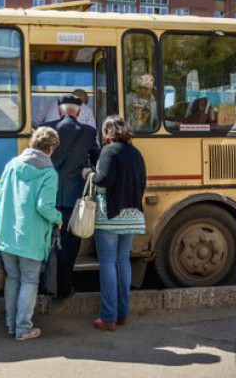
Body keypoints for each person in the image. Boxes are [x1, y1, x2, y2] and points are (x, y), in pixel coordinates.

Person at [0, 127, 63, 341]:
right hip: (31, 238)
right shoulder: (49, 173)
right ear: (51, 148)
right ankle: (23, 328)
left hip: (7, 235)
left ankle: (11, 325)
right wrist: (57, 218)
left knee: (12, 278)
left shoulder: (12, 164)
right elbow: (44, 207)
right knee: (29, 281)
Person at [84, 115, 146, 331]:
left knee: (108, 263)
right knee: (123, 261)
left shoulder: (109, 151)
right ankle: (122, 314)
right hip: (133, 215)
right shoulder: (136, 153)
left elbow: (104, 179)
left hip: (111, 215)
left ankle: (108, 317)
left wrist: (90, 174)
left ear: (108, 133)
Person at [42, 94, 100, 299]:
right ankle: (64, 288)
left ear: (59, 110)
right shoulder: (89, 132)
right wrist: (86, 168)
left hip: (47, 197)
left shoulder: (47, 129)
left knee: (46, 241)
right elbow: (97, 158)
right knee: (69, 243)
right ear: (79, 111)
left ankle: (45, 284)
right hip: (73, 198)